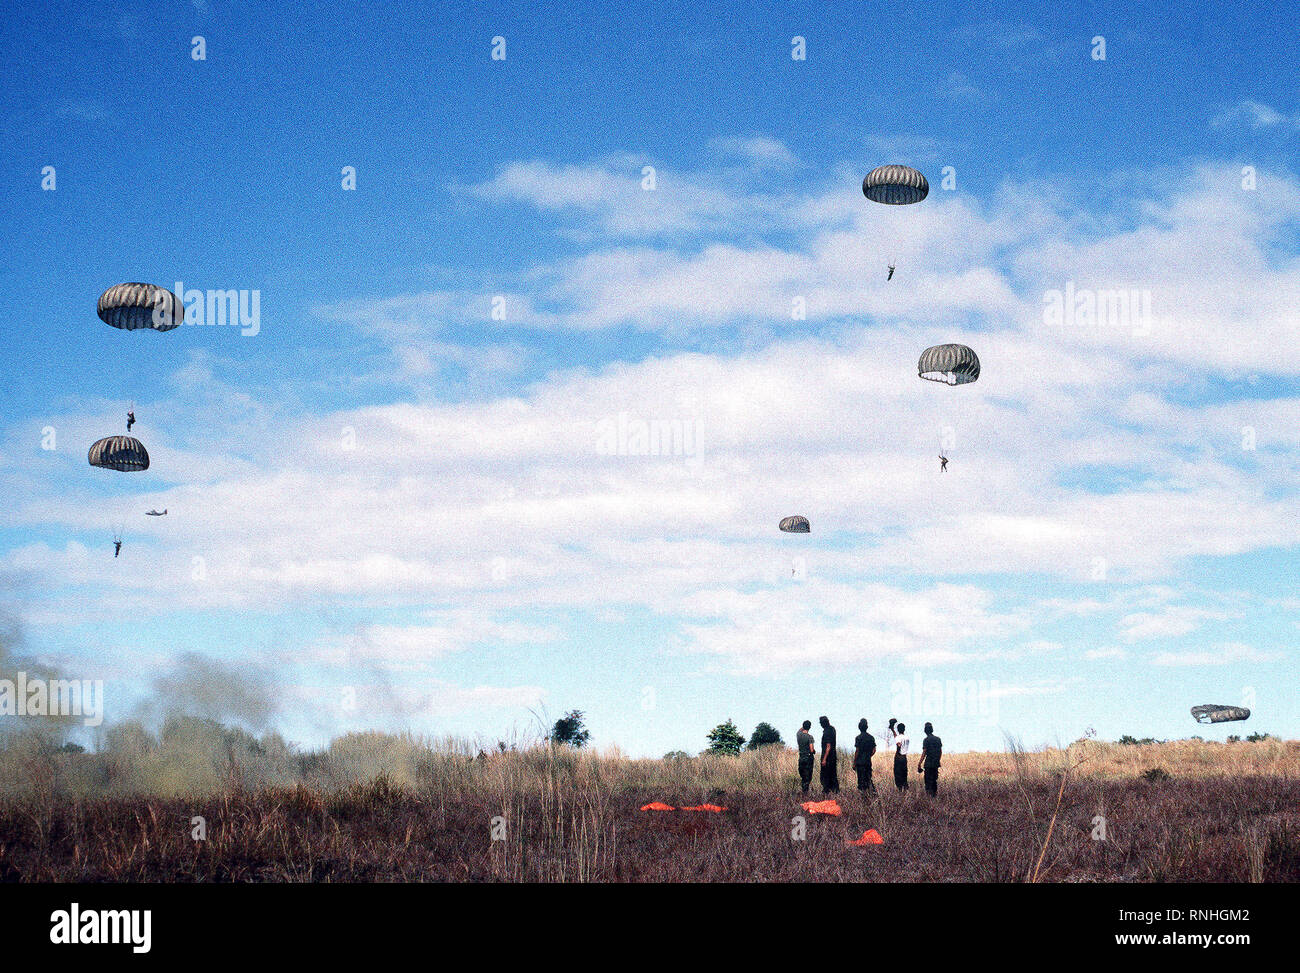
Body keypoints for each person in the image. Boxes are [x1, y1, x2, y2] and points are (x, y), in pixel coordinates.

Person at [918, 722, 942, 796]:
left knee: (928, 782)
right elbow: (940, 752)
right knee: (934, 781)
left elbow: (924, 752)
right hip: (935, 764)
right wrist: (937, 760)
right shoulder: (938, 739)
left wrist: (919, 763)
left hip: (928, 764)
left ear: (925, 731)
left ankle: (929, 798)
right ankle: (934, 796)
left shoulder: (926, 740)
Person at [853, 718, 876, 793]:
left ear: (859, 727)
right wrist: (868, 756)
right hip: (868, 762)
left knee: (861, 781)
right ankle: (873, 793)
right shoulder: (871, 737)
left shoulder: (858, 738)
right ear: (867, 727)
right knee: (868, 779)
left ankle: (863, 797)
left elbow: (857, 751)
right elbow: (874, 750)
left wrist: (854, 763)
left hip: (860, 763)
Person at [818, 716, 839, 794]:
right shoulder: (832, 729)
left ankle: (826, 792)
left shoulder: (827, 732)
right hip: (833, 756)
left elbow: (828, 746)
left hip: (828, 757)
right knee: (833, 775)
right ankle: (835, 792)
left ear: (823, 723)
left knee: (825, 776)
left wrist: (824, 759)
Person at [796, 720, 816, 794]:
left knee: (803, 776)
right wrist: (814, 751)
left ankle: (803, 791)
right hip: (808, 759)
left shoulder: (798, 735)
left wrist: (804, 726)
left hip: (801, 758)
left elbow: (800, 730)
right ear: (810, 727)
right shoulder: (810, 737)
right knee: (808, 777)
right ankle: (805, 792)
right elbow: (811, 750)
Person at [893, 722, 910, 791]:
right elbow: (897, 738)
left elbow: (899, 744)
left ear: (898, 729)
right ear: (904, 729)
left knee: (897, 774)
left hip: (899, 757)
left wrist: (897, 752)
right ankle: (905, 791)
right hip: (904, 757)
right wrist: (892, 730)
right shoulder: (907, 738)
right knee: (904, 775)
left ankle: (900, 790)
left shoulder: (898, 737)